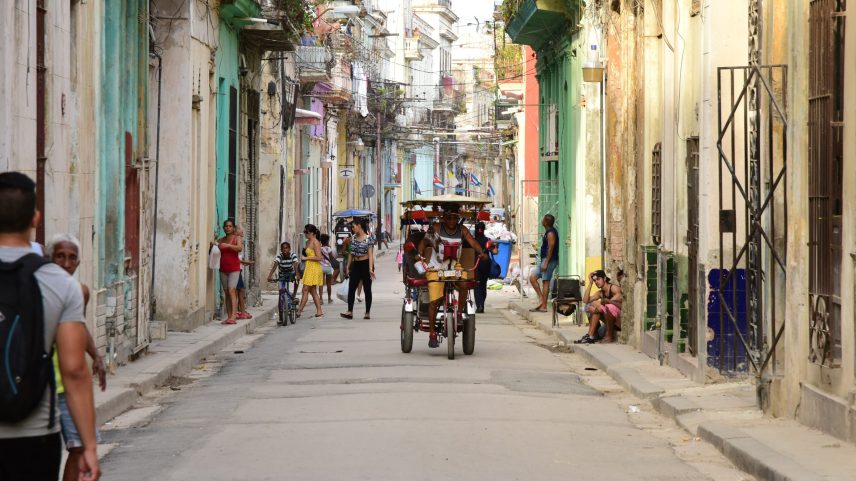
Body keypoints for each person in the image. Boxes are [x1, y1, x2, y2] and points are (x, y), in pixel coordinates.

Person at [0, 172, 100, 481]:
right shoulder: (60, 284)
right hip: (35, 431)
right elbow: (73, 369)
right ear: (35, 217)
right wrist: (89, 446)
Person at [47, 234, 107, 481]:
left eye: (72, 258)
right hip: (43, 385)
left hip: (68, 387)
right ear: (50, 259)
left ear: (79, 263)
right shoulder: (37, 288)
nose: (66, 263)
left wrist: (96, 356)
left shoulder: (79, 292)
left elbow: (78, 327)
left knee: (79, 446)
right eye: (60, 256)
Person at [423, 206, 488, 348]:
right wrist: (419, 255)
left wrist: (481, 252)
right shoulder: (436, 228)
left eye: (455, 218)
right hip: (436, 267)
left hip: (454, 266)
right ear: (444, 217)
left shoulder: (462, 230)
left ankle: (459, 313)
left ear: (458, 218)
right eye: (449, 217)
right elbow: (424, 242)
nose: (452, 221)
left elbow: (473, 242)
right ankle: (432, 333)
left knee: (465, 284)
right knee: (434, 301)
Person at [575, 269, 623, 344]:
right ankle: (591, 335)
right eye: (595, 280)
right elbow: (585, 300)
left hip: (616, 319)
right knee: (588, 305)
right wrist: (590, 283)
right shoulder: (600, 293)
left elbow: (609, 305)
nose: (596, 282)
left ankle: (591, 335)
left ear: (604, 279)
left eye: (598, 279)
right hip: (607, 319)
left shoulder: (613, 288)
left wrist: (597, 306)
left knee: (596, 306)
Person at [340, 219, 375, 320]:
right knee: (351, 287)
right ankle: (350, 311)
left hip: (366, 264)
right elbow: (351, 253)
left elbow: (370, 255)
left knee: (367, 289)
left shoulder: (368, 238)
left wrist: (370, 269)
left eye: (353, 226)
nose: (352, 228)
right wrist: (348, 266)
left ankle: (367, 312)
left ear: (359, 226)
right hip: (356, 265)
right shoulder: (353, 238)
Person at [214, 219, 242, 324]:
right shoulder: (221, 240)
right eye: (226, 226)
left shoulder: (237, 238)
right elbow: (214, 253)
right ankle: (229, 316)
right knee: (226, 293)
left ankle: (234, 316)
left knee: (231, 291)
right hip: (223, 269)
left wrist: (229, 246)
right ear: (223, 228)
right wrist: (212, 247)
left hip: (234, 269)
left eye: (230, 226)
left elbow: (240, 248)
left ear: (233, 228)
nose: (228, 228)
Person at [528, 214, 558, 313]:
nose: (542, 220)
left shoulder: (551, 233)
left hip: (548, 261)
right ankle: (541, 299)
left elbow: (551, 248)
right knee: (533, 278)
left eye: (543, 219)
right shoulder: (547, 232)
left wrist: (546, 262)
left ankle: (544, 306)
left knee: (546, 281)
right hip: (544, 260)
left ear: (546, 222)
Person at [296, 224, 324, 317]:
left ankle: (299, 311)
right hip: (309, 268)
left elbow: (319, 257)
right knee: (312, 291)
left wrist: (307, 258)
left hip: (314, 268)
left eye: (306, 232)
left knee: (305, 289)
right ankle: (319, 311)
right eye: (304, 232)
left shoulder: (315, 242)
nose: (305, 234)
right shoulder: (308, 242)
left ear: (312, 232)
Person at [234, 226, 253, 320]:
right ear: (237, 233)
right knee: (239, 291)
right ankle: (241, 311)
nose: (242, 234)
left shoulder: (238, 241)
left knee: (239, 291)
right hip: (236, 270)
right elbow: (235, 259)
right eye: (241, 232)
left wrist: (244, 263)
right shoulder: (237, 241)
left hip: (238, 269)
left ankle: (240, 310)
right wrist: (246, 262)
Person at [472, 222, 492, 313]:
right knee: (483, 285)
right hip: (486, 265)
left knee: (477, 285)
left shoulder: (472, 241)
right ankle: (481, 304)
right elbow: (495, 251)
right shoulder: (488, 240)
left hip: (476, 264)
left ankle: (480, 305)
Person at [319, 234, 340, 304]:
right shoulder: (329, 249)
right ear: (327, 241)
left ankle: (321, 299)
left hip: (321, 267)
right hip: (328, 267)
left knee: (321, 284)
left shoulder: (319, 248)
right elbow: (331, 258)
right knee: (328, 284)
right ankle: (329, 298)